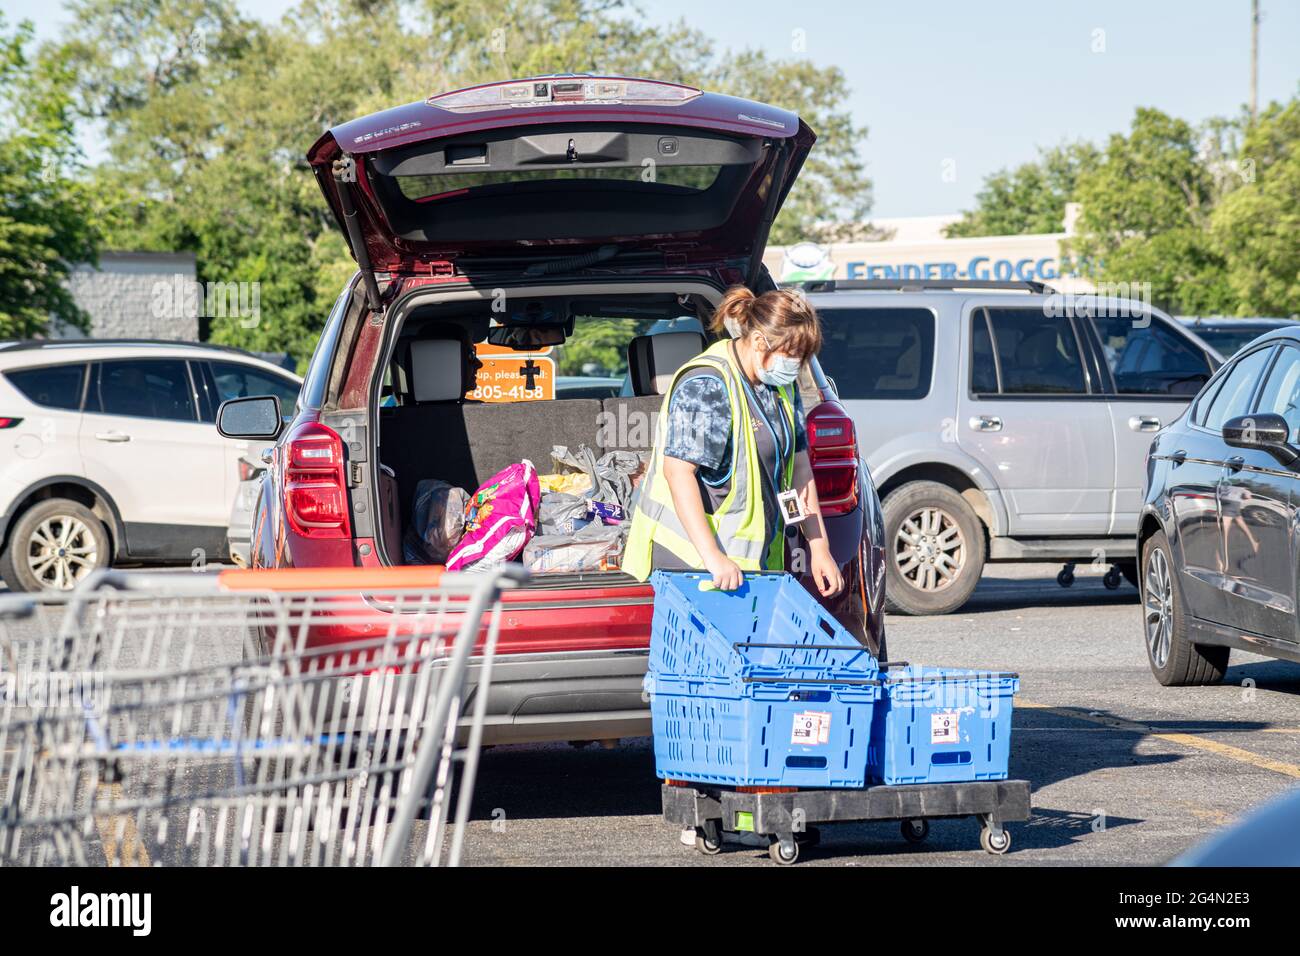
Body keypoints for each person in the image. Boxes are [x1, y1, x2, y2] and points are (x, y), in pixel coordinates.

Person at [624, 286, 844, 597]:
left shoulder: (781, 388)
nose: (795, 366)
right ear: (758, 341)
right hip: (692, 563)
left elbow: (797, 472)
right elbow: (678, 473)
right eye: (792, 355)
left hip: (748, 564)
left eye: (803, 358)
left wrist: (818, 547)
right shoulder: (708, 385)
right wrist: (713, 558)